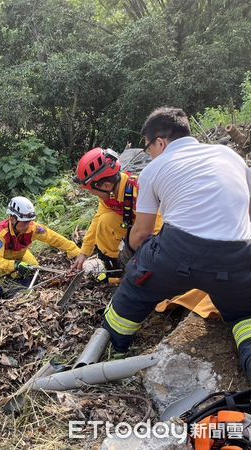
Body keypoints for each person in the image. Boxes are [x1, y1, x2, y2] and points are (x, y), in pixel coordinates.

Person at [102, 107, 251, 379]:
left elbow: (142, 232)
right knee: (245, 315)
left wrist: (129, 259)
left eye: (148, 148)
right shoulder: (229, 155)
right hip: (238, 255)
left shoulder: (155, 168)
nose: (150, 154)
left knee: (135, 289)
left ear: (161, 141)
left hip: (179, 252)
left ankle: (114, 350)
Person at [72, 147, 217, 318]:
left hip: (177, 233)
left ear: (105, 185)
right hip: (140, 230)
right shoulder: (110, 196)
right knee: (105, 220)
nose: (92, 194)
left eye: (91, 190)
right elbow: (98, 219)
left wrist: (146, 267)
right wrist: (83, 253)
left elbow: (163, 233)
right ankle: (117, 270)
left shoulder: (138, 191)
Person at [0, 196, 80, 281]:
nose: (28, 225)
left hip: (18, 255)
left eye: (29, 221)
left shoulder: (33, 228)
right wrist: (15, 265)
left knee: (34, 268)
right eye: (24, 222)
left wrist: (75, 251)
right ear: (12, 219)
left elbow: (54, 238)